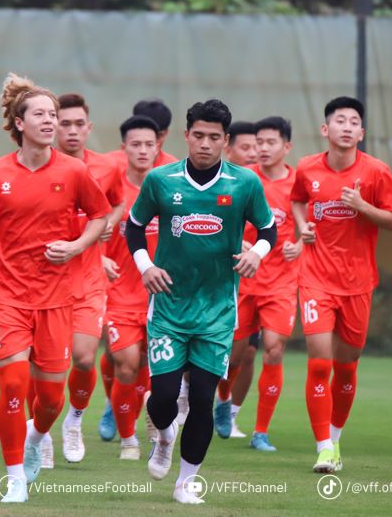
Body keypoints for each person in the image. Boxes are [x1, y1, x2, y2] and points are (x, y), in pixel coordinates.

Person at [0, 75, 110, 503]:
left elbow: (100, 217)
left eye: (54, 115)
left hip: (56, 298)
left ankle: (34, 437)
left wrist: (78, 245)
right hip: (7, 296)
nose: (51, 122)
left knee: (49, 398)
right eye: (42, 115)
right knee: (12, 384)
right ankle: (13, 476)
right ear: (19, 122)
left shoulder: (74, 171)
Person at [126, 99, 276, 505]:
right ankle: (163, 436)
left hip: (217, 310)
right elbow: (135, 227)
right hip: (170, 308)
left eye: (214, 137)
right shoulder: (160, 180)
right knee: (161, 400)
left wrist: (255, 254)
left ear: (226, 141)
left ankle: (187, 480)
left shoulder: (244, 183)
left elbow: (268, 228)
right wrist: (145, 266)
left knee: (202, 400)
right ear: (186, 135)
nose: (205, 144)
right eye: (199, 136)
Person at [290, 96, 392, 474]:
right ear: (326, 129)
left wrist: (363, 207)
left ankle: (335, 438)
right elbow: (298, 200)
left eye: (354, 121)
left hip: (358, 282)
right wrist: (302, 225)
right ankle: (323, 447)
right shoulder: (307, 168)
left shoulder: (376, 172)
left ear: (362, 132)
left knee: (346, 365)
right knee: (319, 361)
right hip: (315, 279)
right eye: (340, 120)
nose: (347, 126)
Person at [54, 93, 124, 464]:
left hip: (88, 280)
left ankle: (74, 419)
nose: (72, 130)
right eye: (64, 123)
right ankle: (40, 433)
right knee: (46, 365)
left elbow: (117, 202)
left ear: (89, 127)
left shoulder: (107, 167)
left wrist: (105, 227)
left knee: (83, 359)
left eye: (79, 124)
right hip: (45, 282)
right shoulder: (39, 167)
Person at [229, 116, 301, 452]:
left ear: (287, 146)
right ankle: (223, 406)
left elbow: (311, 228)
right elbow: (221, 224)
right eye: (258, 142)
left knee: (273, 348)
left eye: (270, 142)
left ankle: (260, 431)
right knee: (232, 357)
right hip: (243, 281)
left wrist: (299, 245)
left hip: (281, 284)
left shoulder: (299, 185)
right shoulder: (241, 180)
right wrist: (238, 245)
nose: (263, 148)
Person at [102, 115, 162, 459]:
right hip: (121, 295)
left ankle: (153, 420)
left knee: (155, 368)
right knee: (125, 363)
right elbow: (93, 230)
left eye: (148, 144)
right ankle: (128, 439)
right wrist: (99, 259)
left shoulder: (170, 190)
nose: (142, 150)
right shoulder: (113, 192)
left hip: (163, 298)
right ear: (123, 148)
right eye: (135, 144)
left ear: (158, 148)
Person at [215, 120, 260, 439]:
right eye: (246, 147)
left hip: (265, 284)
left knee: (252, 353)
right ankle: (208, 401)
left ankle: (230, 413)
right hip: (223, 283)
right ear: (228, 149)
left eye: (258, 146)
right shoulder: (217, 183)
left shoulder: (267, 183)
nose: (255, 153)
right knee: (226, 353)